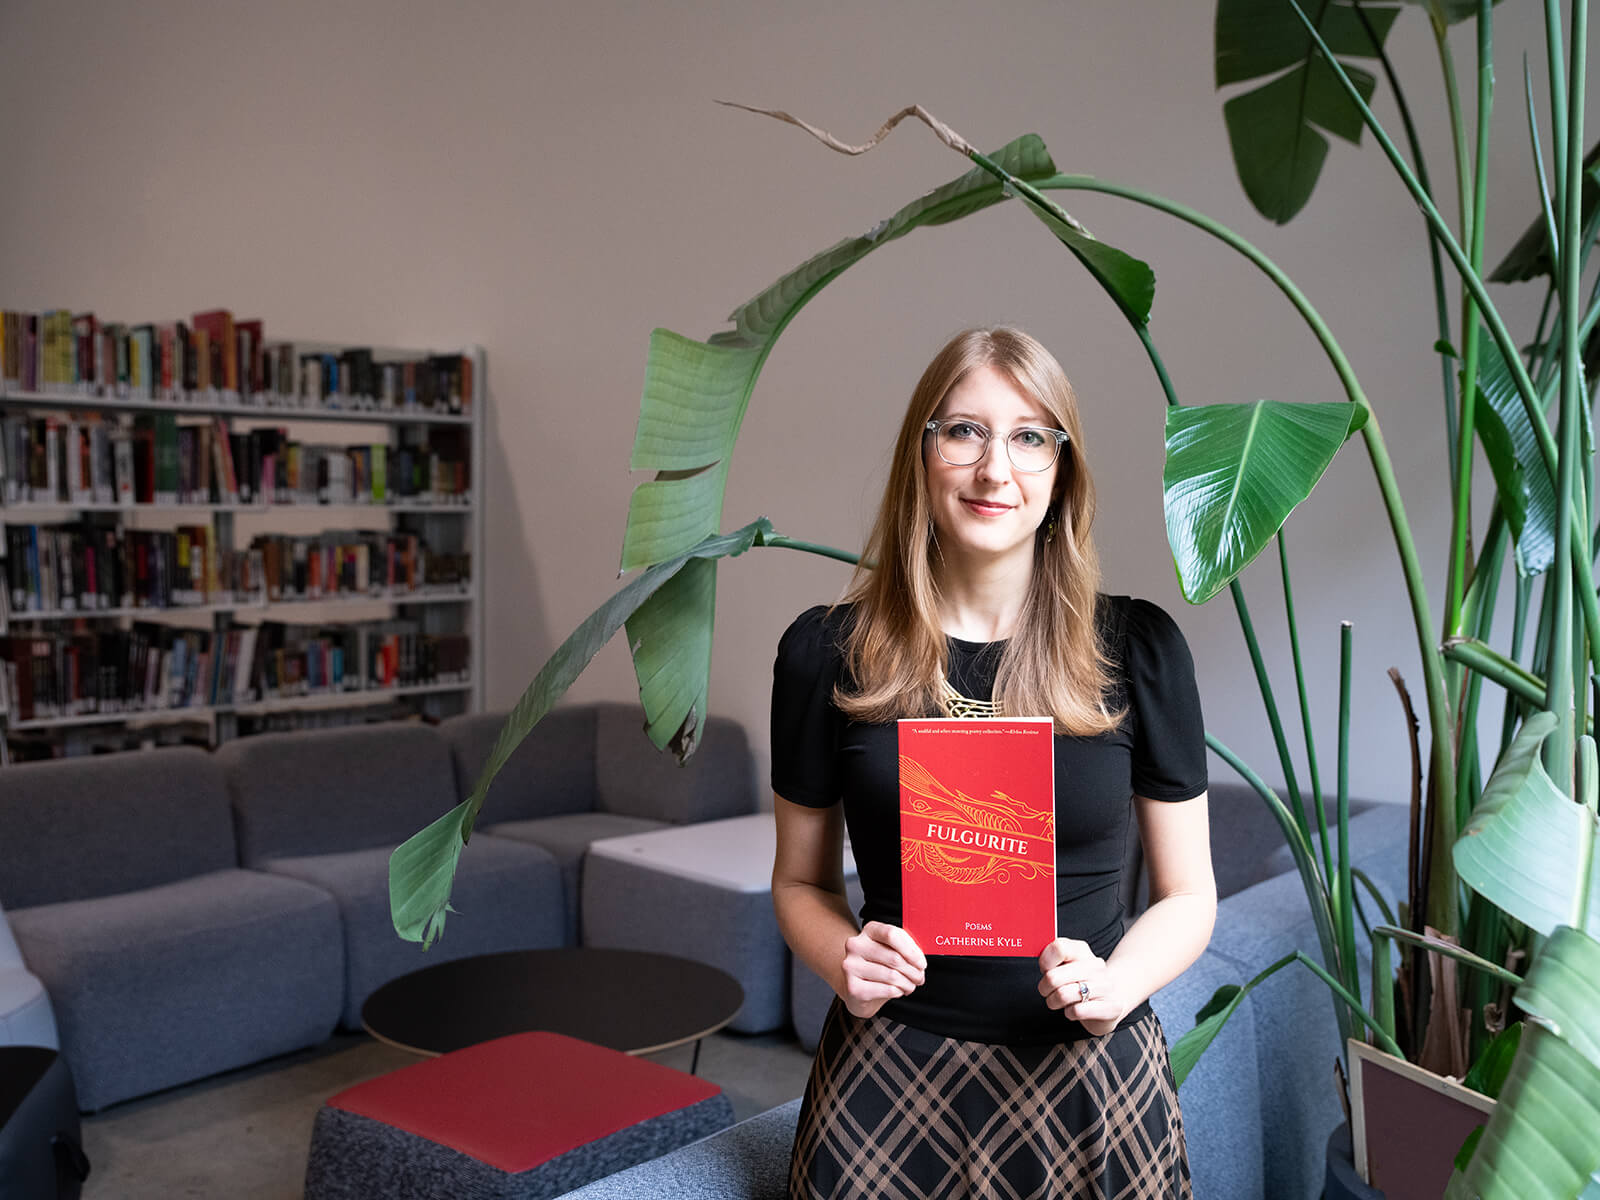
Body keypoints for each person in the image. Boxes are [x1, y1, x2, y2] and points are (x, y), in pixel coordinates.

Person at [770, 327, 1216, 1199]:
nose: (994, 469)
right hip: (885, 1076)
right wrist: (842, 961)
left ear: (1062, 469)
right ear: (922, 453)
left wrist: (1114, 983)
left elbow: (1190, 895)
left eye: (1029, 436)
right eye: (964, 431)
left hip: (1089, 1079)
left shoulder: (1139, 649)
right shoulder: (826, 652)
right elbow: (799, 884)